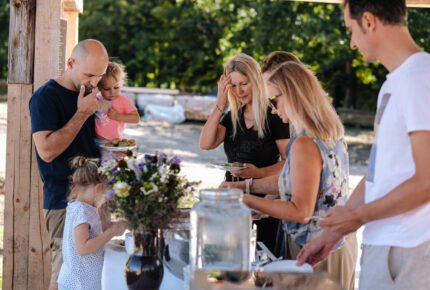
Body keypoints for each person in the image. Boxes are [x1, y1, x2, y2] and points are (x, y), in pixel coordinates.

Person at [297, 1, 430, 289]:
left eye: (351, 30)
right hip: (386, 247)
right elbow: (377, 175)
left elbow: (427, 181)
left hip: (409, 250)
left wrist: (356, 216)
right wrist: (334, 234)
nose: (352, 44)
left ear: (368, 21)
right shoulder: (393, 83)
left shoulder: (422, 79)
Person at [221, 61, 357, 289]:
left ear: (293, 95)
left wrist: (243, 199)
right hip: (335, 244)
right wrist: (246, 189)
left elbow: (301, 211)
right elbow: (305, 186)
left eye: (274, 101)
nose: (273, 109)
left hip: (314, 250)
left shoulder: (305, 142)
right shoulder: (327, 130)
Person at [29, 39, 108, 290]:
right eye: (89, 75)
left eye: (100, 76)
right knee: (64, 277)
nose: (94, 83)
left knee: (97, 273)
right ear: (70, 63)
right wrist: (82, 113)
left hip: (96, 199)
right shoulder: (45, 97)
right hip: (64, 203)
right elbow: (47, 151)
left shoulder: (87, 93)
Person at [199, 53, 290, 256]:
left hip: (267, 200)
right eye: (233, 85)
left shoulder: (274, 115)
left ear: (256, 81)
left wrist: (257, 173)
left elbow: (289, 162)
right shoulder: (232, 117)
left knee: (264, 262)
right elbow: (205, 144)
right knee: (230, 259)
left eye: (244, 83)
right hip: (233, 198)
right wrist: (220, 103)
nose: (238, 91)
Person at [57, 157, 127, 290]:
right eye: (106, 194)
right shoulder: (82, 210)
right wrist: (111, 232)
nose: (106, 199)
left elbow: (95, 229)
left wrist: (117, 225)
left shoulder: (83, 207)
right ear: (99, 187)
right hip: (77, 284)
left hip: (80, 283)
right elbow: (83, 248)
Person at [94, 61, 140, 159]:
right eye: (107, 89)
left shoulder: (123, 101)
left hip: (113, 144)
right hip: (95, 141)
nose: (112, 92)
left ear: (121, 84)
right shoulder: (97, 98)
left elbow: (136, 119)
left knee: (108, 167)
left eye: (116, 87)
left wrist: (117, 116)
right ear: (99, 87)